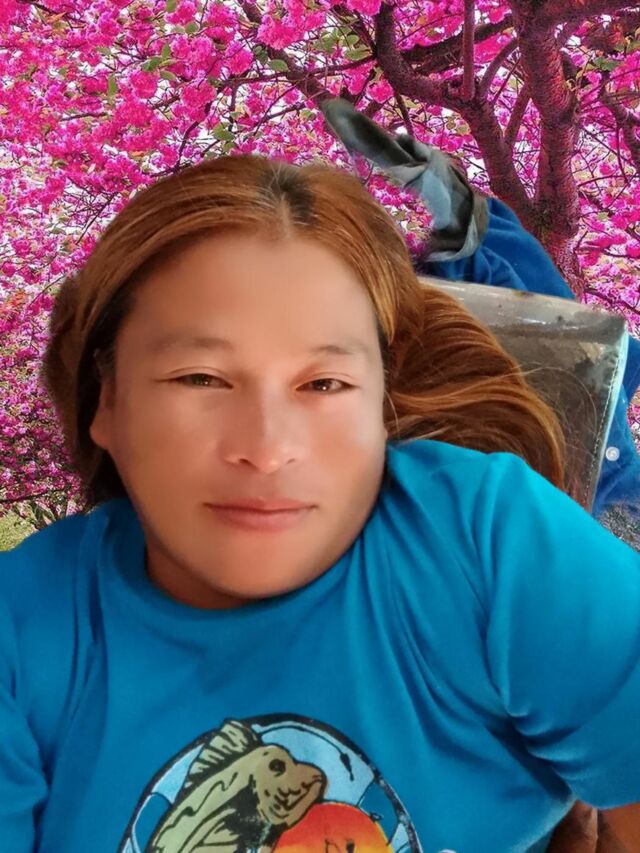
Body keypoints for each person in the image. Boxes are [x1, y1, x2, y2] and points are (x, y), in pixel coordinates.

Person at [1, 153, 639, 853]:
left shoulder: (486, 543)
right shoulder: (23, 630)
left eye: (325, 384)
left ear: (382, 399)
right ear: (108, 400)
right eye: (201, 377)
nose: (267, 448)